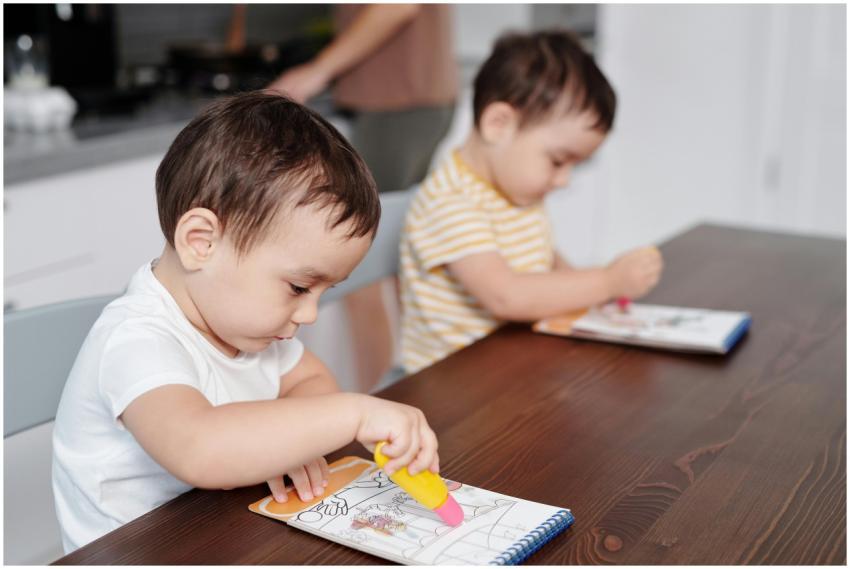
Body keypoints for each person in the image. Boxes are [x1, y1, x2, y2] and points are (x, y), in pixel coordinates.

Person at [52, 92, 441, 552]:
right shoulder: (135, 340)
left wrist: (281, 443)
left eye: (323, 292)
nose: (310, 313)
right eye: (299, 287)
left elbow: (313, 380)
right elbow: (201, 447)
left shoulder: (247, 329)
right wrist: (356, 413)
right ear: (202, 243)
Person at [399, 30, 664, 374]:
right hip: (453, 384)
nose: (565, 179)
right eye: (558, 160)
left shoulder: (513, 190)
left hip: (514, 366)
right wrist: (608, 281)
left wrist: (597, 293)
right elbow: (506, 296)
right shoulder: (449, 201)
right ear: (499, 125)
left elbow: (543, 257)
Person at [269, 4, 458, 390]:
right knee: (393, 259)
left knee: (358, 269)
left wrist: (317, 70)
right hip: (415, 99)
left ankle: (381, 407)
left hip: (397, 104)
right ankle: (413, 394)